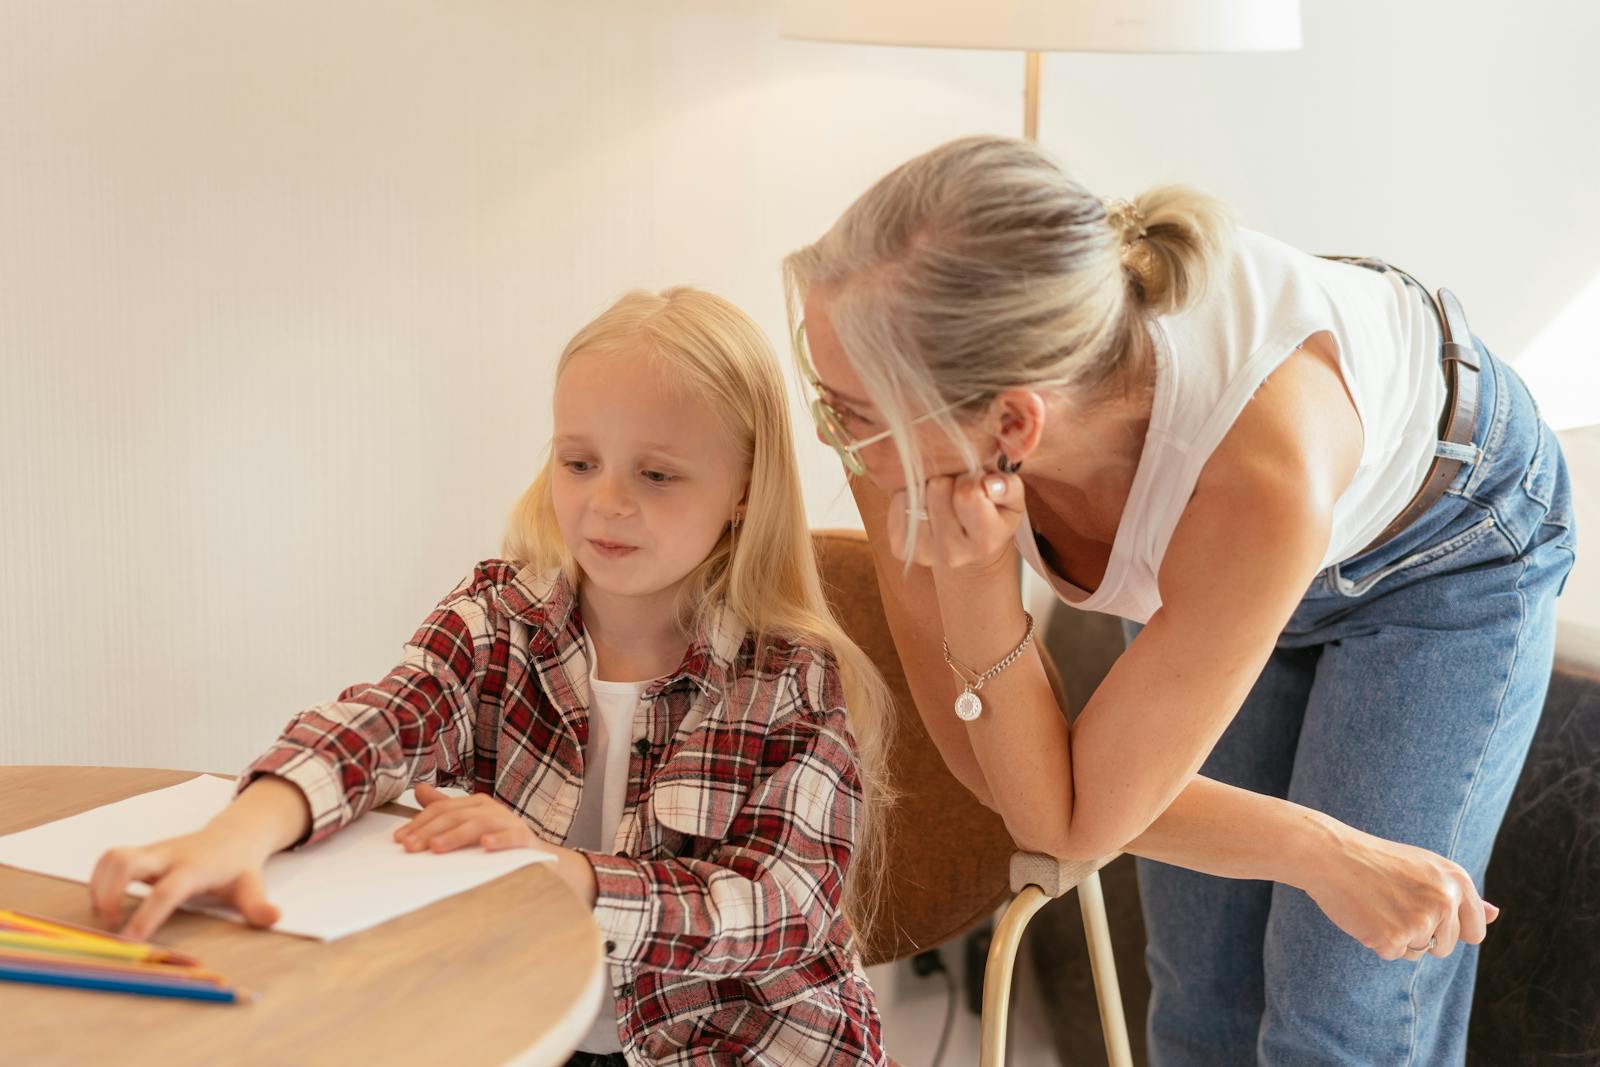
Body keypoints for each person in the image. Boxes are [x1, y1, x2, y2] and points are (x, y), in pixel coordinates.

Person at [784, 135, 1576, 1066]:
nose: (837, 439)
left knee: (1339, 1010)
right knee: (1201, 992)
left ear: (1012, 423)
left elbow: (1075, 810)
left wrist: (1323, 861)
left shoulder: (1259, 467)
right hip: (1221, 556)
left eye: (853, 412)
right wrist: (1326, 848)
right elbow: (1032, 800)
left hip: (1446, 544)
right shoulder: (915, 424)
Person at [87, 287, 895, 1067]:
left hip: (738, 1045)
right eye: (579, 462)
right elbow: (383, 721)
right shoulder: (499, 617)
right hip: (525, 1025)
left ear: (743, 491)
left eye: (656, 475)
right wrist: (241, 832)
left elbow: (784, 904)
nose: (606, 501)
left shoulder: (788, 675)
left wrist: (561, 872)